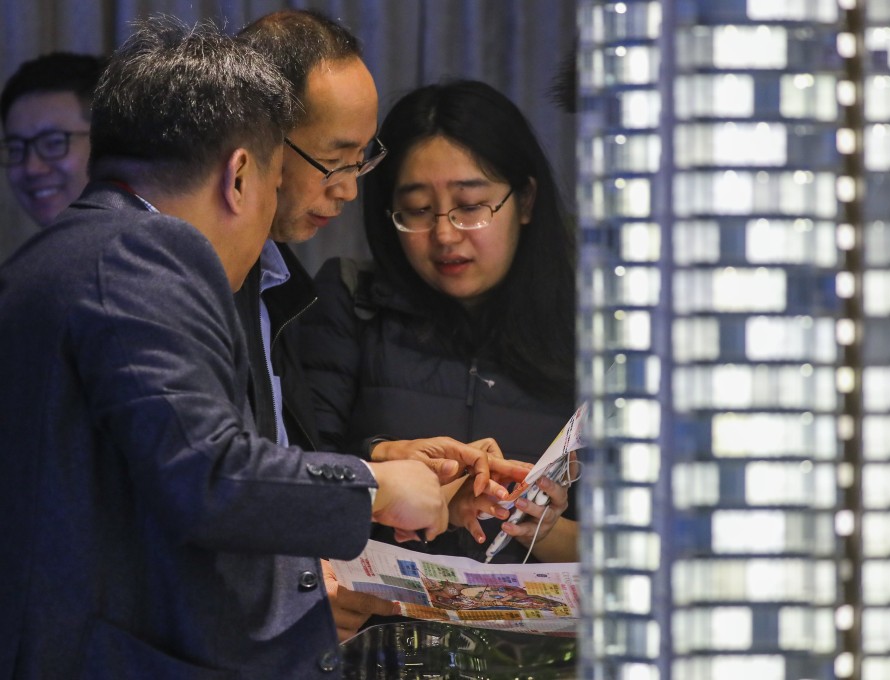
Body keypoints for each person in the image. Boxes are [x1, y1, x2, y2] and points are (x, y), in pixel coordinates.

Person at [0, 16, 454, 679]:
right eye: (276, 183)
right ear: (240, 175)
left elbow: (150, 472)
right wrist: (377, 486)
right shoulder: (147, 253)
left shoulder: (73, 247)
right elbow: (208, 476)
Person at [233, 11, 524, 642]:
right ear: (252, 147)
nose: (346, 191)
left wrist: (388, 465)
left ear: (524, 202)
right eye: (416, 209)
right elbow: (215, 480)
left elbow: (277, 458)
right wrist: (373, 480)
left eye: (360, 163)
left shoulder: (273, 279)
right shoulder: (299, 290)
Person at [300, 79, 580, 633]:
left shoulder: (592, 331)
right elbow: (293, 470)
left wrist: (544, 530)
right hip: (371, 647)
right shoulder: (352, 301)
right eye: (418, 210)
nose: (446, 236)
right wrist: (381, 458)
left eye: (472, 207)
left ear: (524, 201)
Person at [1, 51, 106, 226]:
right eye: (16, 149)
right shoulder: (37, 253)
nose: (32, 169)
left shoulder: (146, 248)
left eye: (53, 143)